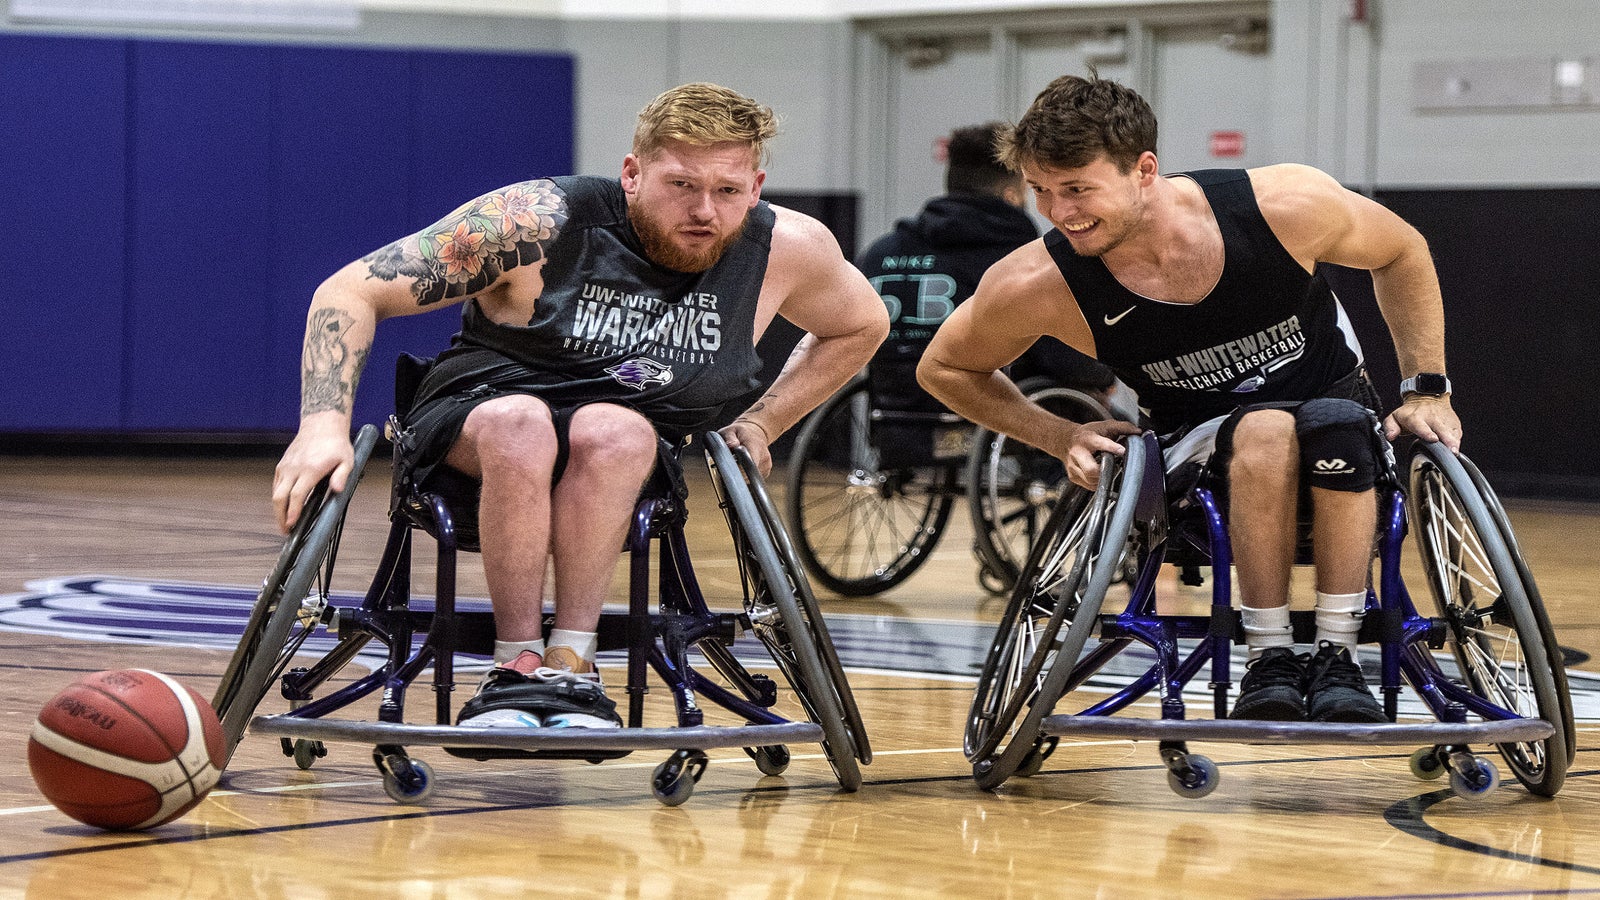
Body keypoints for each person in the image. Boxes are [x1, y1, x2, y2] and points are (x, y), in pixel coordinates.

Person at [271, 82, 888, 730]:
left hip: (631, 440)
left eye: (727, 191)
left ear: (755, 188)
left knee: (615, 428)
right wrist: (321, 427)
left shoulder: (788, 249)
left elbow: (862, 325)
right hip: (481, 412)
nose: (704, 210)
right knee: (523, 424)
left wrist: (765, 420)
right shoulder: (536, 221)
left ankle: (572, 664)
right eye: (681, 185)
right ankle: (516, 665)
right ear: (632, 173)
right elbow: (350, 291)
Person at [918, 73, 1460, 723]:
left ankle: (1337, 653)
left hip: (1338, 418)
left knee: (1338, 421)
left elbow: (1402, 250)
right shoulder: (1038, 279)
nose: (1060, 212)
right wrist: (1056, 435)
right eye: (1041, 191)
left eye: (1077, 188)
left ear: (1144, 170)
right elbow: (946, 366)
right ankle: (1270, 654)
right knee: (1263, 429)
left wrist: (1426, 388)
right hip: (1197, 455)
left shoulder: (1280, 206)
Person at [857, 123, 1114, 443]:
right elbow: (1057, 354)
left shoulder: (880, 251)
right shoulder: (1013, 255)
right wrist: (1103, 372)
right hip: (982, 407)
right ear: (1011, 193)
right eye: (1031, 189)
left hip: (893, 414)